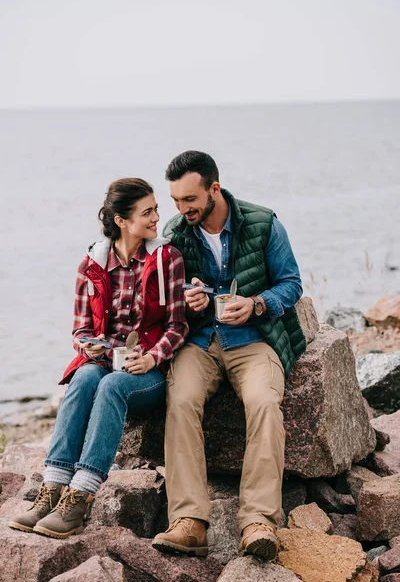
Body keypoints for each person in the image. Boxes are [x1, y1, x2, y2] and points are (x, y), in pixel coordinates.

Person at [9, 178, 188, 539]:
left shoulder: (166, 259)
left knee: (111, 385)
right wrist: (87, 346)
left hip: (147, 373)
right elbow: (80, 330)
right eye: (147, 211)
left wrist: (153, 358)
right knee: (84, 378)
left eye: (155, 209)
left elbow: (178, 325)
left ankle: (80, 497)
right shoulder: (91, 265)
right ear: (122, 220)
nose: (157, 217)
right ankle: (53, 489)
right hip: (104, 361)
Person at [152, 151, 306, 560]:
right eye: (176, 201)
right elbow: (166, 301)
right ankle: (189, 523)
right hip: (200, 342)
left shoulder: (263, 223)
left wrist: (256, 304)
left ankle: (258, 521)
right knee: (180, 401)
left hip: (253, 341)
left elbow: (291, 284)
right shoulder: (175, 233)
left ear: (214, 189)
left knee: (264, 402)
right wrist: (187, 301)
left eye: (189, 199)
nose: (182, 209)